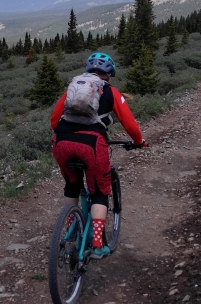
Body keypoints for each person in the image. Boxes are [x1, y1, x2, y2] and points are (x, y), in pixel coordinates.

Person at [50, 52, 148, 259]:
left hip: (62, 141)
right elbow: (130, 125)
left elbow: (53, 120)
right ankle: (97, 244)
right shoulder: (111, 91)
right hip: (92, 145)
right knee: (99, 192)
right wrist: (139, 142)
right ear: (110, 72)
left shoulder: (73, 87)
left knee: (72, 186)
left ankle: (72, 228)